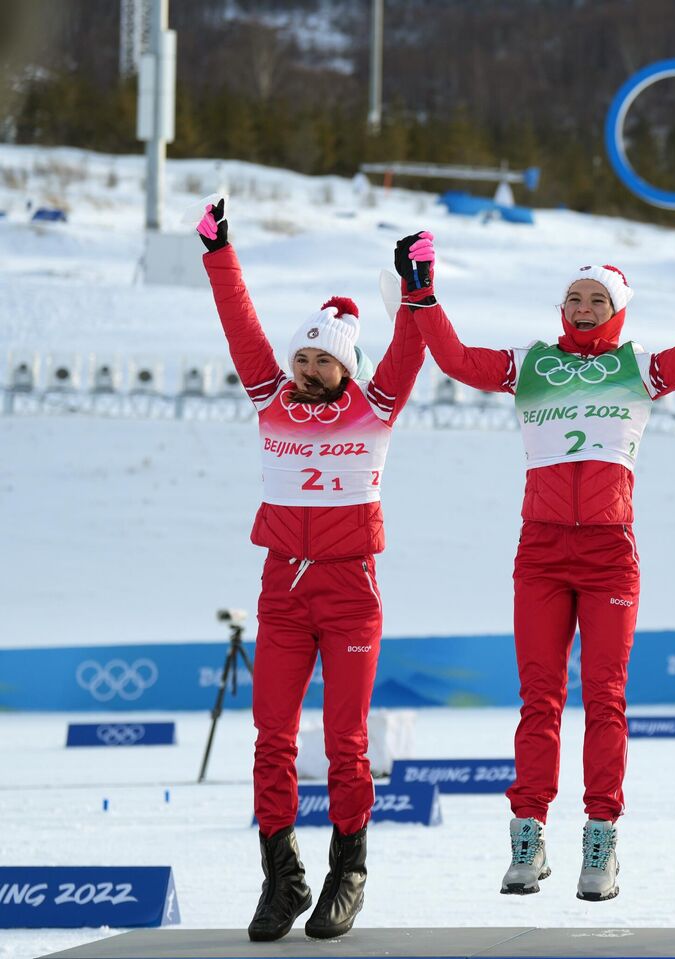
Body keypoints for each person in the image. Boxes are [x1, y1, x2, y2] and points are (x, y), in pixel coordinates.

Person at [394, 215, 675, 901]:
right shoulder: (532, 365)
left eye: (598, 301)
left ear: (618, 310)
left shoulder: (638, 366)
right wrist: (422, 293)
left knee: (607, 699)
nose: (584, 309)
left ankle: (601, 840)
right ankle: (528, 836)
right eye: (575, 299)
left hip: (610, 551)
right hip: (542, 549)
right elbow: (458, 359)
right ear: (561, 308)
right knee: (539, 701)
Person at [196, 200, 427, 940]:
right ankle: (282, 874)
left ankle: (346, 872)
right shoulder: (272, 400)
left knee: (346, 744)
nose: (306, 368)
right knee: (271, 737)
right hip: (283, 591)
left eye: (322, 359)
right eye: (302, 357)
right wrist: (218, 253)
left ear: (345, 366)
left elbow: (409, 350)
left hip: (351, 592)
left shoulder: (376, 406)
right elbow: (241, 326)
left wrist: (418, 286)